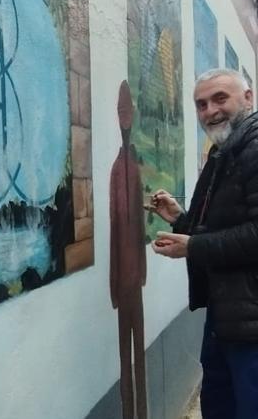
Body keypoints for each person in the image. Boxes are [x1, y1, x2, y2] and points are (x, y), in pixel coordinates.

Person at [150, 69, 258, 419]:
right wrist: (182, 220)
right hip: (233, 316)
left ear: (248, 98)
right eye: (201, 104)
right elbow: (231, 225)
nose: (210, 111)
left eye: (220, 99)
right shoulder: (227, 151)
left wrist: (192, 247)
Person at [109, 81, 148, 419]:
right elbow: (113, 234)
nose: (125, 122)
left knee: (139, 353)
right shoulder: (116, 170)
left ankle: (141, 411)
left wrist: (143, 271)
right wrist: (113, 287)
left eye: (128, 116)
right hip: (123, 281)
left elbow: (140, 227)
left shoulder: (132, 167)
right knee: (125, 354)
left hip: (135, 279)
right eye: (121, 116)